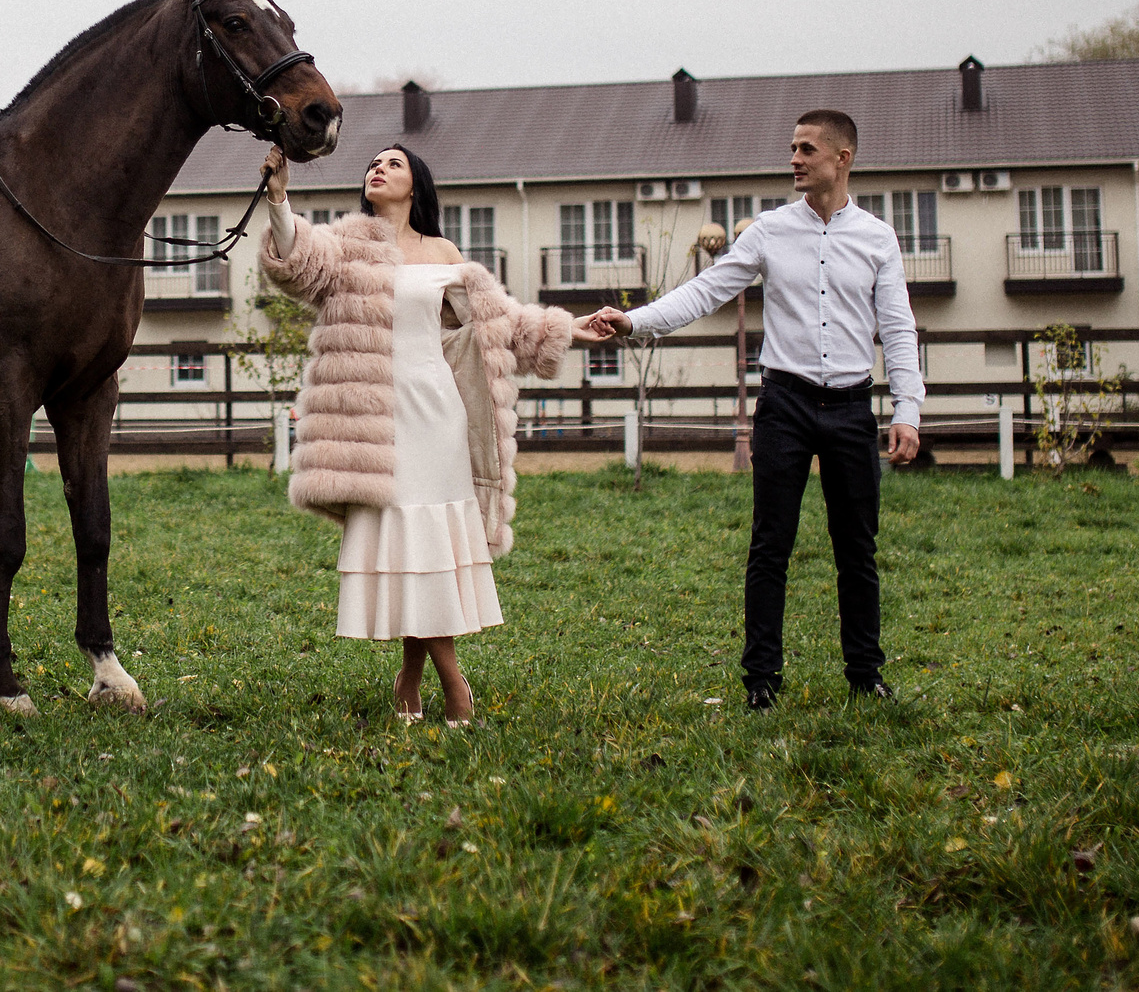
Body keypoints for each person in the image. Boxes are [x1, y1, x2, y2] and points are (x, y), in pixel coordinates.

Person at [582, 109, 922, 711]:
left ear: (842, 158)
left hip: (850, 408)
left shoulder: (877, 237)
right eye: (792, 147)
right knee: (771, 545)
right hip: (785, 405)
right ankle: (761, 680)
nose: (794, 158)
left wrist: (908, 410)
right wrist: (633, 322)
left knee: (857, 548)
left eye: (806, 149)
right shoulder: (767, 230)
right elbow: (704, 291)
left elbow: (897, 327)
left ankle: (866, 674)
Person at [259, 141, 593, 725]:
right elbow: (297, 260)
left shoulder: (444, 251)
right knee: (411, 545)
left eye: (394, 163)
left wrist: (573, 330)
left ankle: (414, 679)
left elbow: (501, 324)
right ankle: (451, 683)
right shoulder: (348, 247)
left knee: (430, 547)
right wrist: (279, 201)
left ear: (416, 185)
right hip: (376, 424)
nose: (378, 168)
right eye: (373, 162)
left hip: (438, 414)